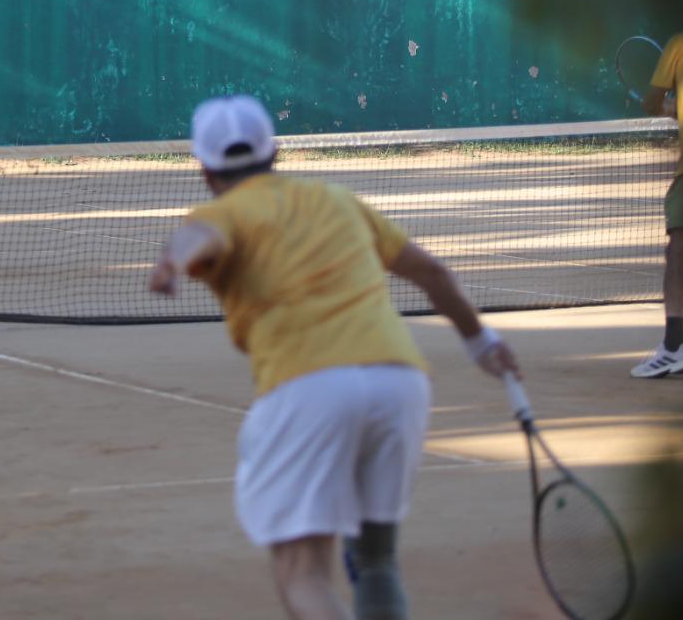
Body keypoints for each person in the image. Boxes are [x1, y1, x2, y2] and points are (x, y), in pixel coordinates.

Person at [149, 95, 519, 620]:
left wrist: (170, 262)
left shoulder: (220, 212)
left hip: (310, 388)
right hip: (401, 381)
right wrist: (481, 343)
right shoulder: (338, 199)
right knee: (376, 561)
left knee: (302, 574)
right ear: (274, 152)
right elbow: (432, 274)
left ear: (205, 171)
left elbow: (200, 236)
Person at [635, 22, 683, 378]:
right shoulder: (680, 45)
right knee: (679, 251)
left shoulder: (681, 44)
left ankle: (673, 348)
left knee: (679, 252)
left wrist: (669, 106)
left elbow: (651, 102)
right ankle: (673, 348)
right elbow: (652, 102)